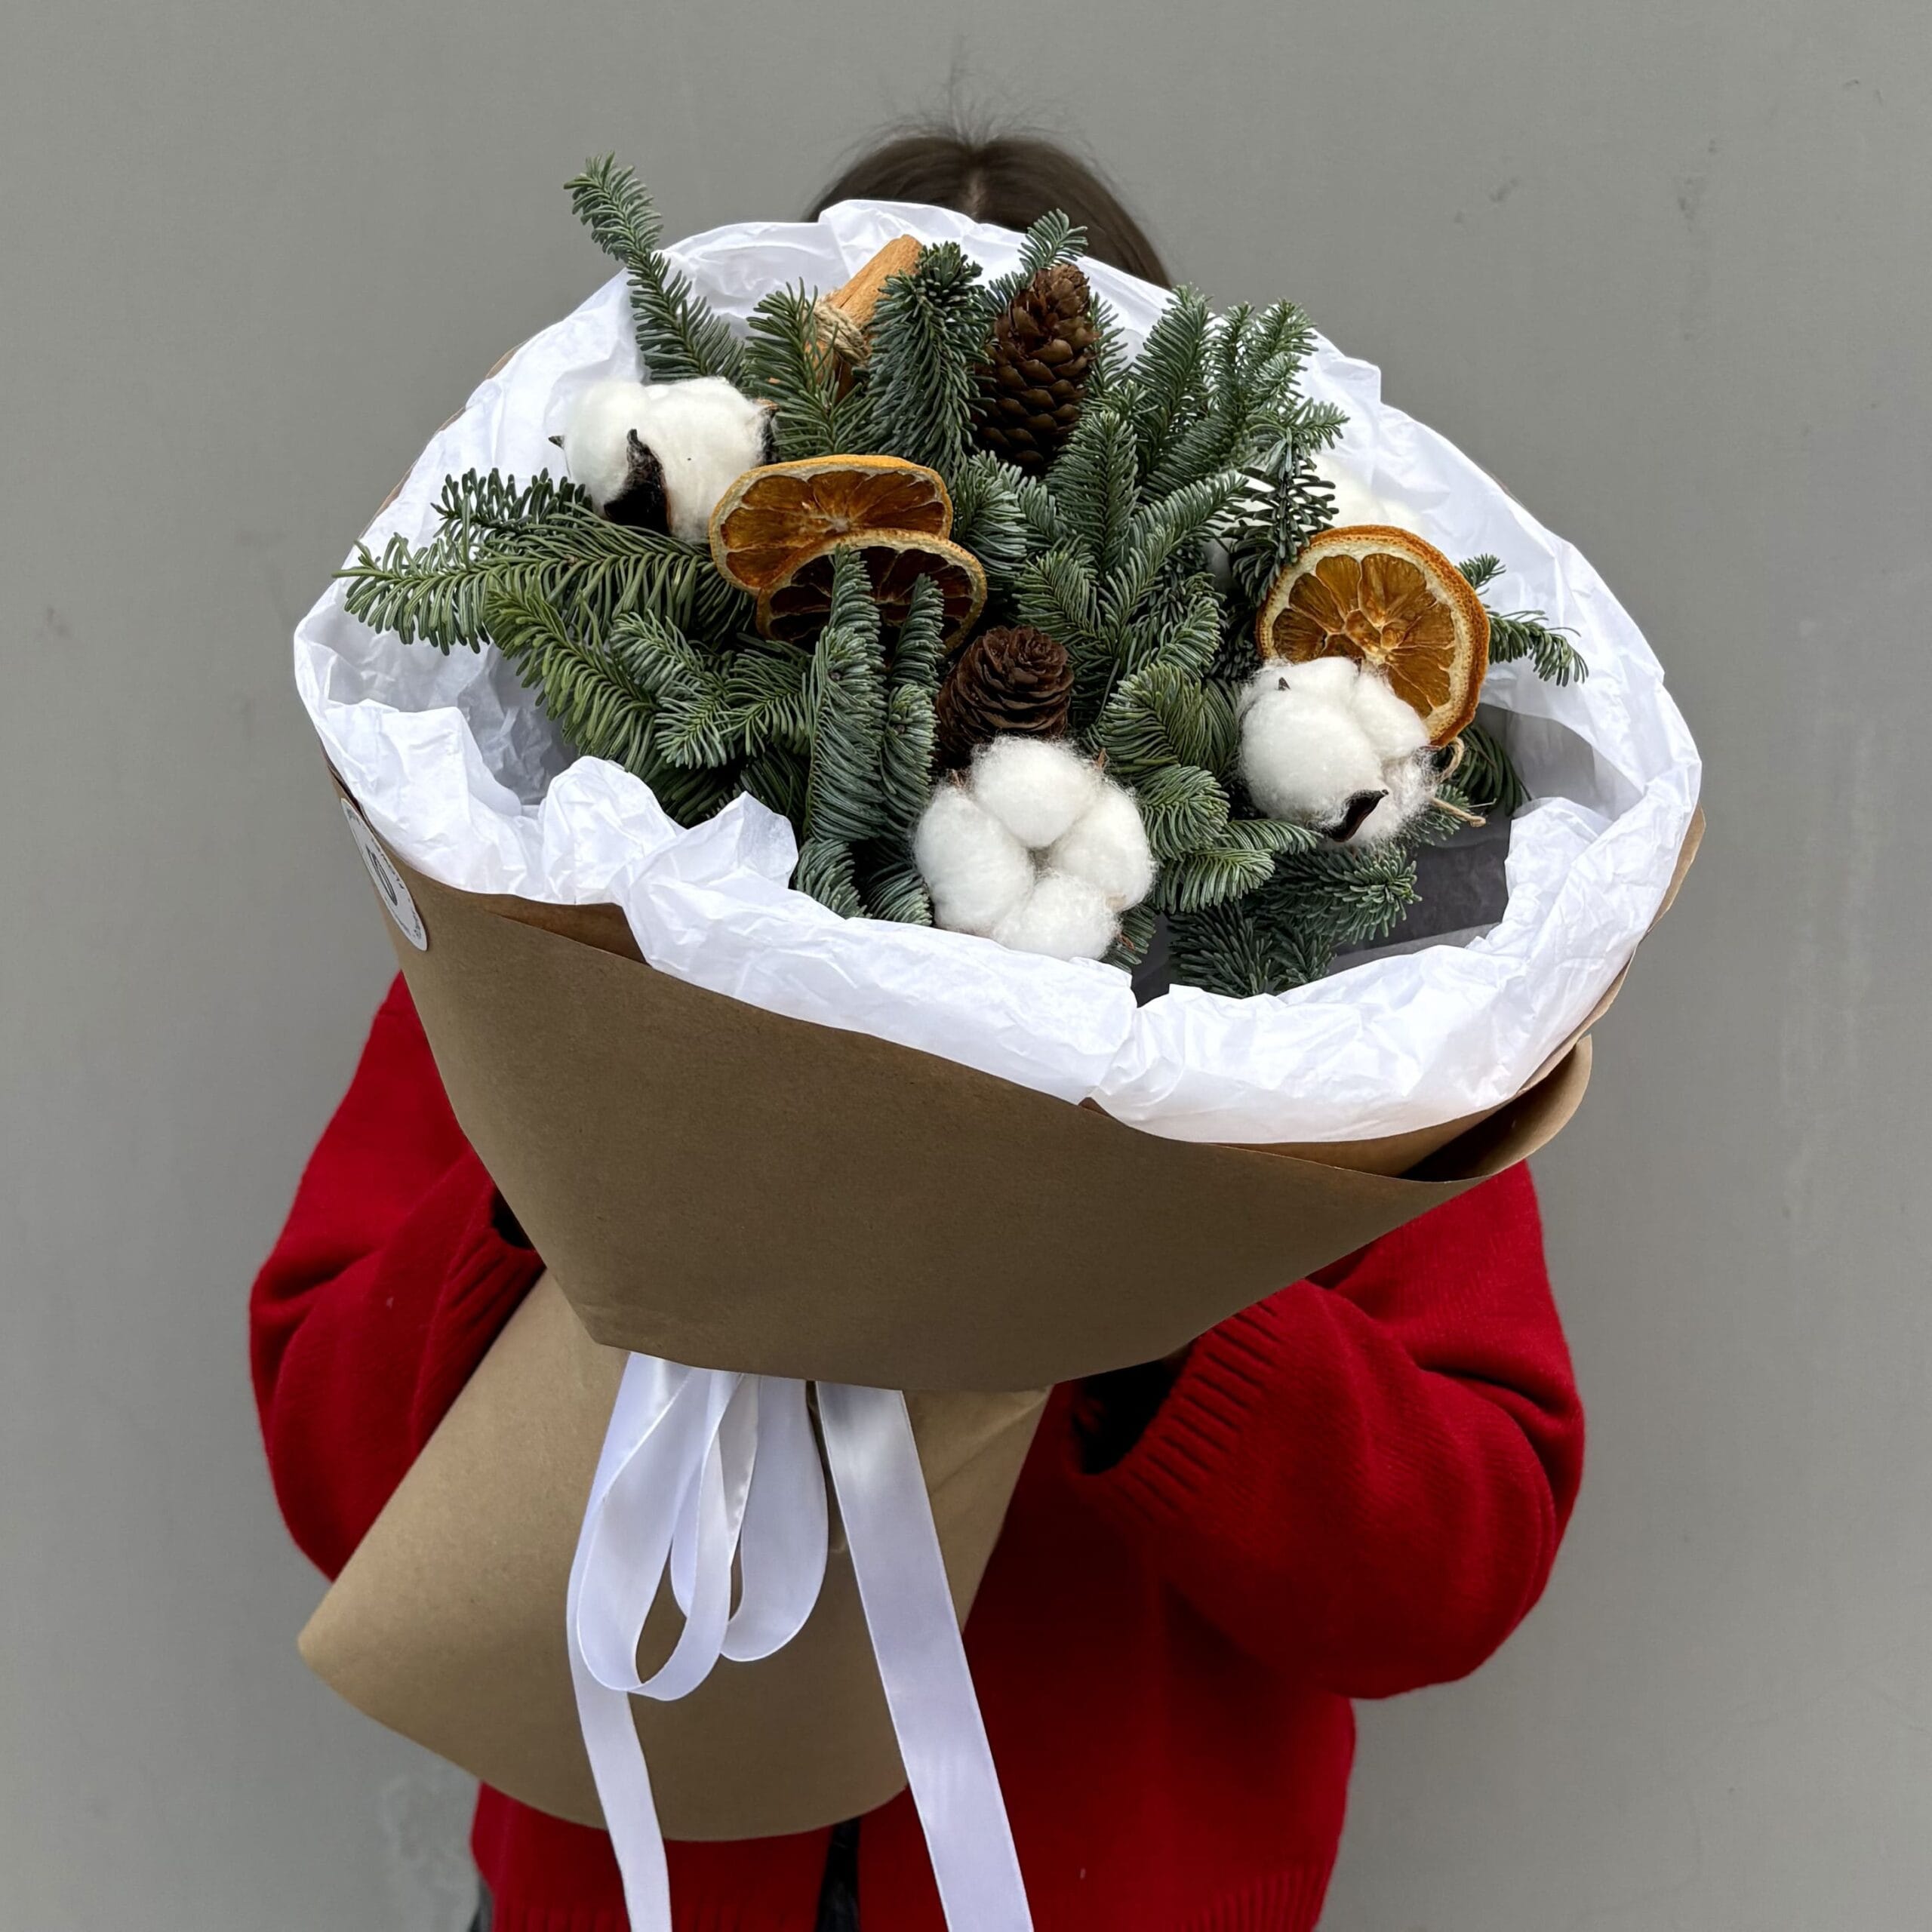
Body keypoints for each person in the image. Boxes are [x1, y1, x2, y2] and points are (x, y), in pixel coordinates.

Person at [251, 125, 1585, 1932]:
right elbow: (335, 1464)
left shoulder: (1323, 997)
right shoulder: (568, 915)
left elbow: (1457, 1555)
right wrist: (588, 1158)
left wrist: (1132, 1274)